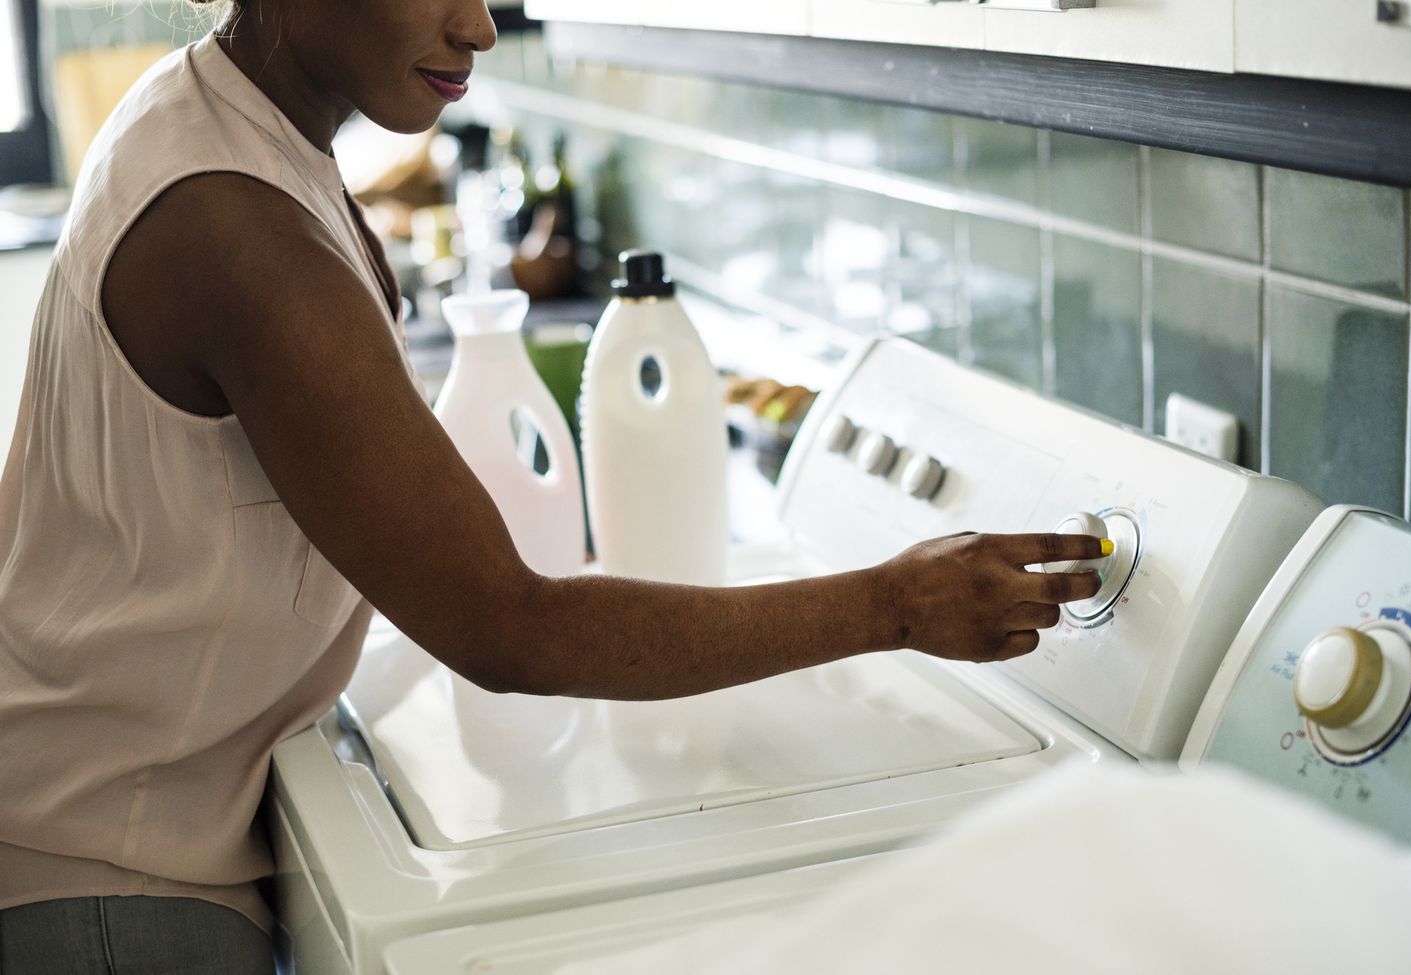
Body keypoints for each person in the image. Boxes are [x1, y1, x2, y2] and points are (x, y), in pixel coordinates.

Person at [0, 0, 1105, 971]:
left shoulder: (219, 118)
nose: (479, 24)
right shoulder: (238, 231)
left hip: (114, 822)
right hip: (107, 880)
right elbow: (505, 627)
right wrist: (895, 603)